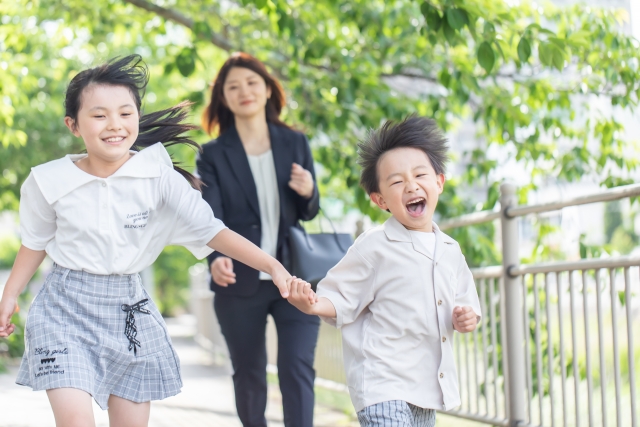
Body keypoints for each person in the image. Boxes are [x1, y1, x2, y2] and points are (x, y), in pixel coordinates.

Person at [0, 55, 298, 427]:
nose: (115, 125)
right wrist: (9, 295)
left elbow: (212, 230)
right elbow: (36, 241)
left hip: (129, 308)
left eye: (126, 114)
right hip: (64, 308)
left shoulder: (157, 174)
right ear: (73, 125)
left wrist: (272, 266)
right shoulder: (49, 182)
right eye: (99, 115)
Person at [287, 115, 482, 427]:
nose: (411, 185)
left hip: (426, 384)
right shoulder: (374, 246)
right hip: (381, 382)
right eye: (396, 181)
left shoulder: (450, 251)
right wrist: (309, 303)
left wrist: (467, 317)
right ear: (379, 200)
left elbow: (466, 302)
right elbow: (338, 295)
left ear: (439, 182)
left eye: (420, 175)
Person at [196, 52, 320, 427]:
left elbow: (309, 211)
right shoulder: (213, 154)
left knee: (297, 370)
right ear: (224, 98)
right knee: (249, 375)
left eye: (252, 83)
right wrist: (213, 259)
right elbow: (207, 217)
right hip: (238, 280)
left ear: (267, 89)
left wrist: (309, 190)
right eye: (233, 87)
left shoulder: (295, 141)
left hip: (295, 277)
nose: (244, 91)